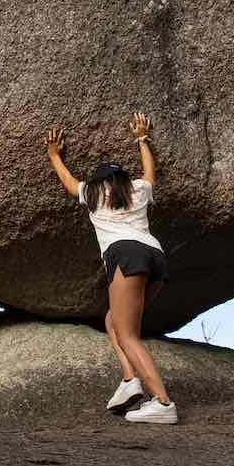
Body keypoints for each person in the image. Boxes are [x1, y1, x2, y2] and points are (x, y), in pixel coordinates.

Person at [44, 112, 177, 424]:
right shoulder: (137, 190)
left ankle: (163, 402)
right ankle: (130, 381)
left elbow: (68, 181)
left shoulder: (92, 192)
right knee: (112, 320)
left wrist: (54, 156)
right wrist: (142, 138)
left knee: (129, 334)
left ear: (100, 182)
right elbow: (149, 173)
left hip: (126, 256)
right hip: (155, 257)